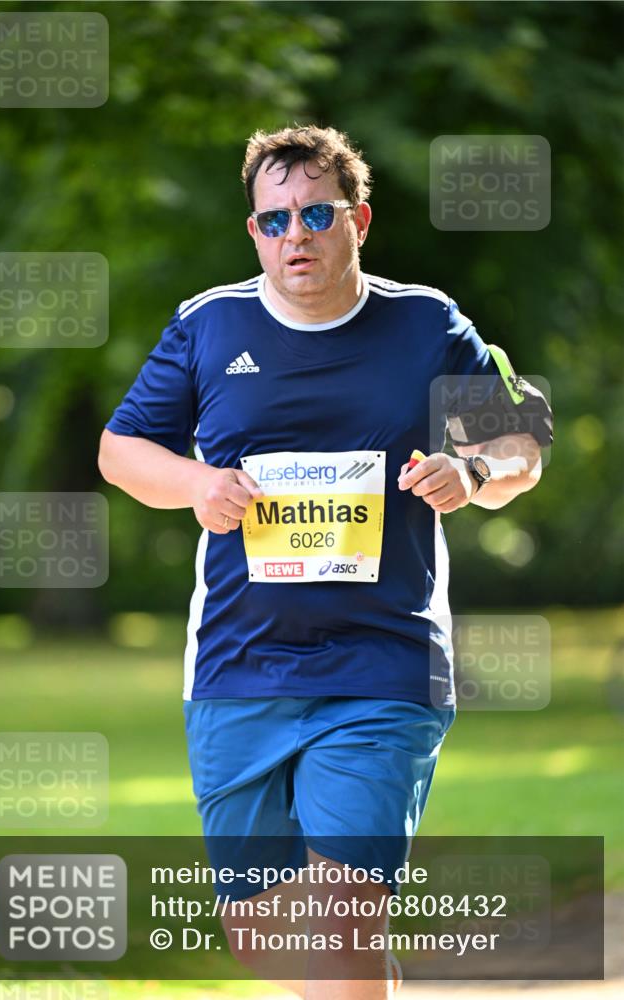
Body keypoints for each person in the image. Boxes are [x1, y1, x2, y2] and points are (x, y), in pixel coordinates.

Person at [99, 125, 553, 999]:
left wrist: (470, 468)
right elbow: (122, 452)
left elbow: (519, 444)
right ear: (254, 233)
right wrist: (197, 483)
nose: (294, 235)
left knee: (341, 918)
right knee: (263, 932)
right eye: (273, 220)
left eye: (315, 213)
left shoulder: (423, 324)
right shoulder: (208, 324)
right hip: (238, 668)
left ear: (359, 220)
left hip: (382, 663)